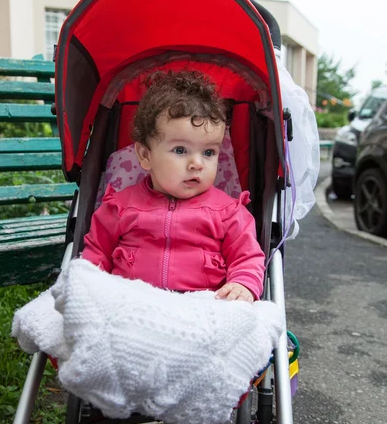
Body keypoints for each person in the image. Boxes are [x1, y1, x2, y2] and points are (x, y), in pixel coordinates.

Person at [82, 70, 265, 303]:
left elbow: (247, 257)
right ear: (145, 155)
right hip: (129, 303)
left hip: (203, 306)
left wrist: (242, 284)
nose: (197, 163)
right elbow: (96, 253)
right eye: (180, 150)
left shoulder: (229, 212)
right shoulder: (119, 206)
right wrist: (90, 286)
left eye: (209, 152)